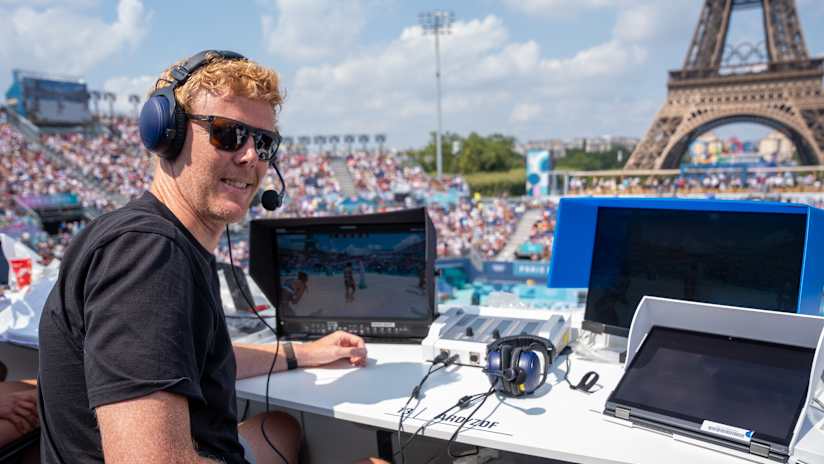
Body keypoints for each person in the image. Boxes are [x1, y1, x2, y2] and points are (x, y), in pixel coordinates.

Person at [38, 50, 386, 464]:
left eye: (264, 141)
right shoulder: (148, 256)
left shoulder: (151, 236)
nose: (251, 157)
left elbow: (184, 358)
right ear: (167, 134)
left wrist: (306, 353)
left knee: (280, 427)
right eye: (228, 133)